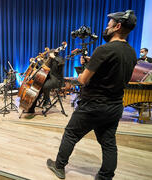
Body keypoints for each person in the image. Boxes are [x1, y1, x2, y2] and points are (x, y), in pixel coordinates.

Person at [46, 10, 137, 180]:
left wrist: (81, 74)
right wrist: (92, 62)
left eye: (109, 25)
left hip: (93, 105)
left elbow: (83, 80)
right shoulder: (132, 53)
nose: (106, 27)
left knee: (71, 134)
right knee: (109, 143)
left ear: (117, 26)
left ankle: (59, 166)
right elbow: (115, 72)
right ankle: (105, 176)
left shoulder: (104, 49)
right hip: (115, 106)